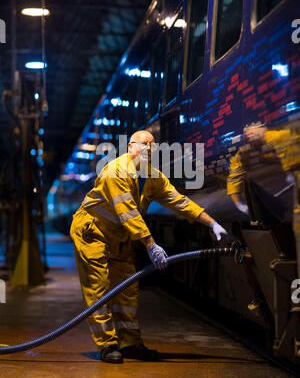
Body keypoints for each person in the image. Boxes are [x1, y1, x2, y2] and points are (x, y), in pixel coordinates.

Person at [70, 130, 228, 363]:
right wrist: (151, 245)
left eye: (153, 145)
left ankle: (130, 343)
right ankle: (108, 345)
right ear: (130, 146)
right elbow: (128, 213)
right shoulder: (116, 171)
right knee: (99, 289)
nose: (150, 149)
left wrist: (212, 223)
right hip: (92, 234)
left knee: (127, 290)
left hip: (119, 239)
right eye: (145, 144)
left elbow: (179, 200)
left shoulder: (151, 177)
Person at [227, 123, 300, 215]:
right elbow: (234, 178)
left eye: (253, 128)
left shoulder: (281, 136)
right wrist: (238, 204)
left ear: (265, 129)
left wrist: (290, 173)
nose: (249, 132)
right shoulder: (243, 153)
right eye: (246, 131)